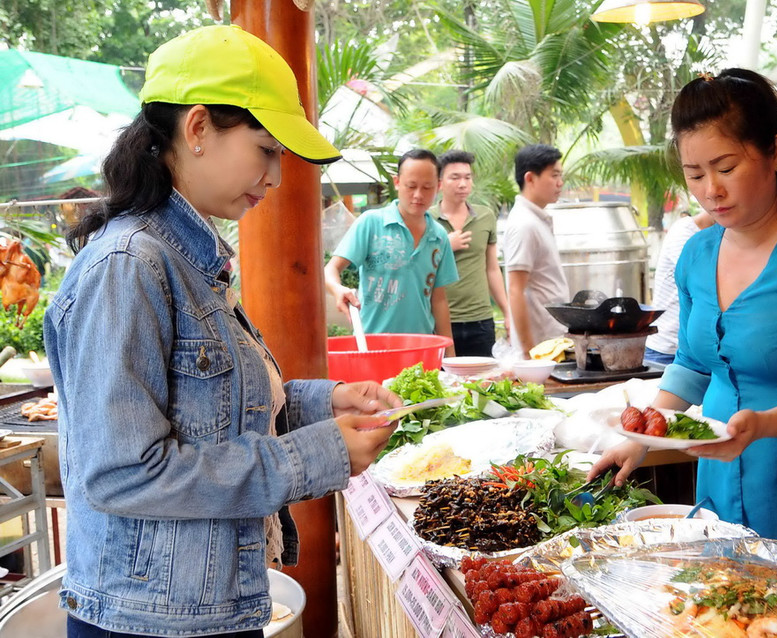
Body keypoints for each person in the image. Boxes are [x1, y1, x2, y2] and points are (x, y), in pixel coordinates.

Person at [45, 25, 401, 638]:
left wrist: (325, 402)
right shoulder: (131, 265)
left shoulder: (186, 259)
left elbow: (212, 416)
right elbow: (121, 472)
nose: (276, 176)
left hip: (201, 609)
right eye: (266, 149)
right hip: (148, 622)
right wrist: (317, 454)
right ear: (199, 127)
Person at [589, 69, 777, 551]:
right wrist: (641, 437)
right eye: (695, 174)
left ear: (776, 152)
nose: (710, 190)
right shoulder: (698, 255)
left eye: (725, 168)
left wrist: (760, 426)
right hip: (722, 480)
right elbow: (692, 364)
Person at [326, 149, 458, 354]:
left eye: (427, 187)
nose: (418, 195)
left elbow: (439, 299)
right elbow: (330, 269)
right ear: (397, 182)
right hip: (372, 347)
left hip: (421, 349)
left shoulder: (440, 236)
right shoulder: (371, 223)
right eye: (411, 186)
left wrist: (449, 356)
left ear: (438, 187)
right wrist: (337, 289)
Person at [429, 150, 510, 356]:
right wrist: (445, 247)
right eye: (454, 177)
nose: (462, 184)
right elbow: (415, 268)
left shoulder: (485, 216)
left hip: (481, 320)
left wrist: (507, 311)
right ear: (440, 182)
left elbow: (491, 269)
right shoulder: (426, 219)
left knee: (483, 383)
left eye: (467, 177)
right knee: (443, 383)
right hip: (439, 321)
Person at [502, 144, 569, 357]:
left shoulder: (535, 219)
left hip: (550, 343)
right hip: (539, 348)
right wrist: (529, 351)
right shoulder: (524, 224)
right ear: (530, 178)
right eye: (554, 175)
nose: (560, 183)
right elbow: (516, 290)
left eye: (561, 175)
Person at [644, 211, 714, 365]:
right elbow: (709, 286)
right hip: (667, 350)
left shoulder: (722, 239)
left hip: (697, 351)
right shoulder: (686, 232)